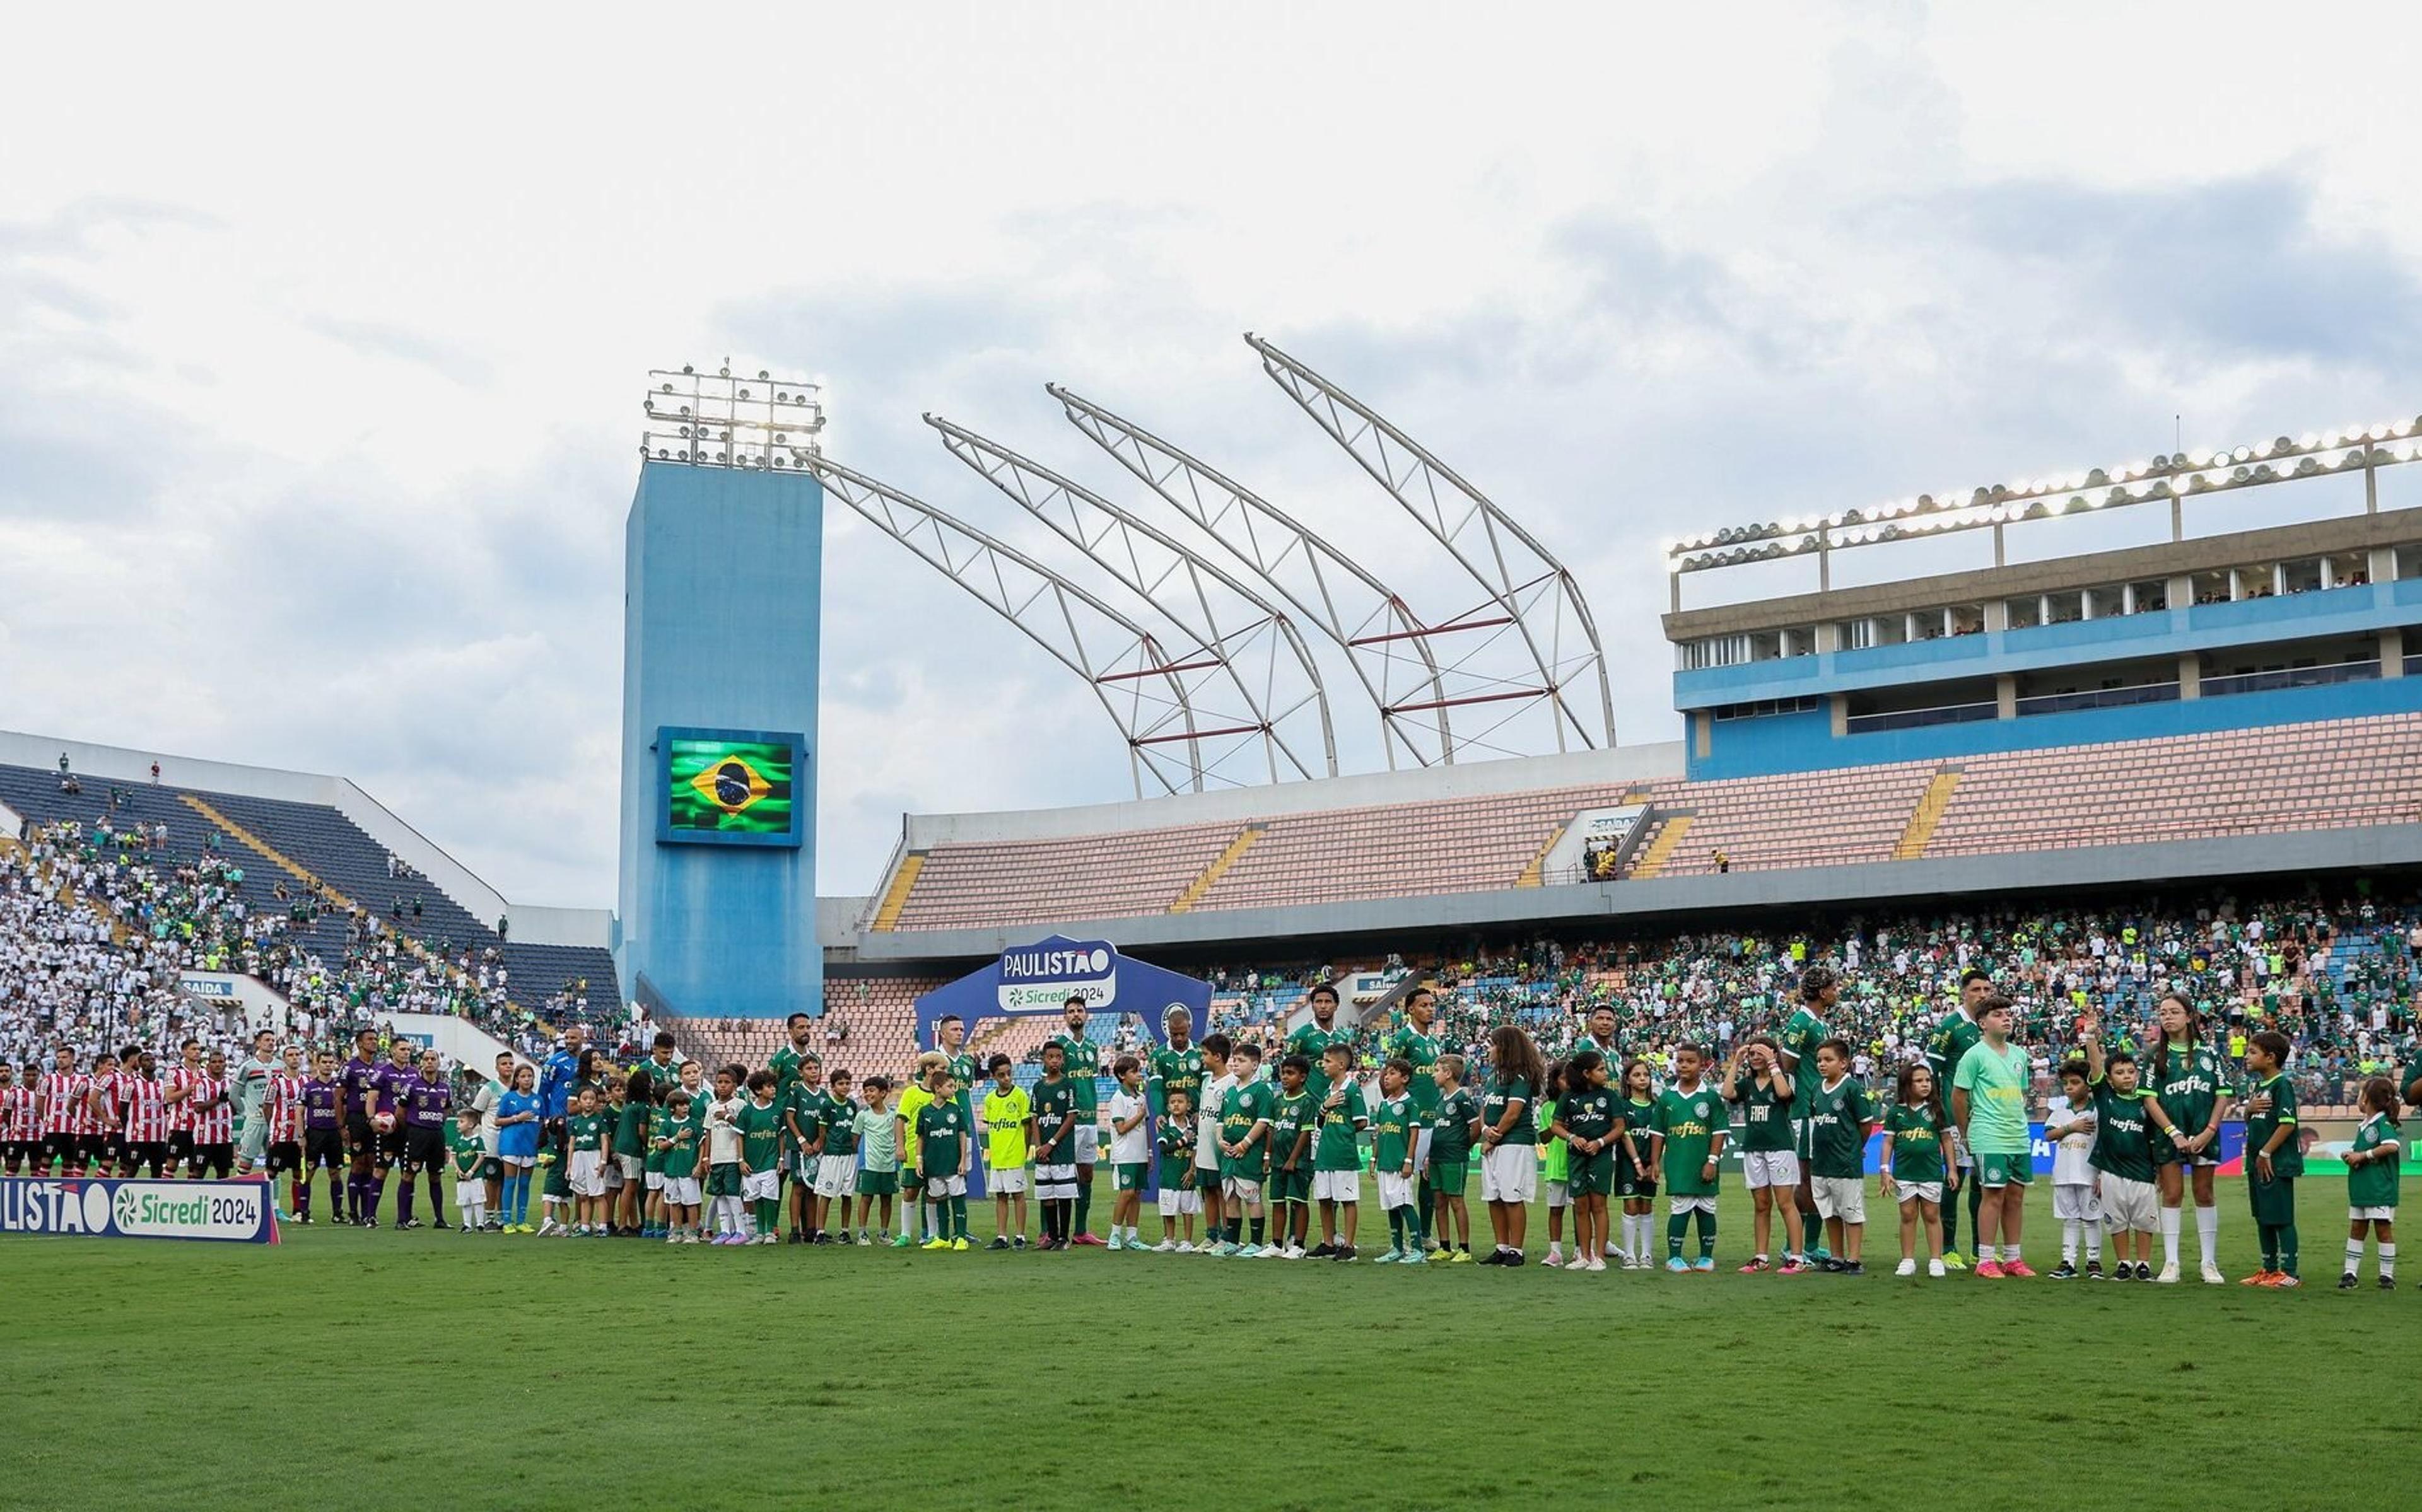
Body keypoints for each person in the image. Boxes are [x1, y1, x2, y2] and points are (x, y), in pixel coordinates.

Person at [2141, 992, 2232, 1284]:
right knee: (2172, 1194)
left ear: (2189, 1016)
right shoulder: (2155, 1055)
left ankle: (2209, 1262)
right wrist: (2174, 1133)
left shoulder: (2209, 1054)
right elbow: (2150, 1100)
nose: (2167, 1018)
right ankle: (2171, 1263)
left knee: (2204, 1193)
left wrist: (2209, 1131)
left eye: (2174, 1012)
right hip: (2170, 1137)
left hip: (2205, 1134)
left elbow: (2222, 1095)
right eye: (2163, 1013)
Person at [1951, 994, 2034, 1279]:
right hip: (1989, 1134)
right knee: (1993, 1196)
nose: (2006, 1018)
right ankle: (1986, 1259)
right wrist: (1965, 1133)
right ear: (1983, 1023)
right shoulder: (1974, 1055)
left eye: (2008, 1013)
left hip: (2018, 1136)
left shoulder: (2020, 1055)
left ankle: (2013, 1258)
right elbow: (1959, 1096)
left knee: (2015, 1197)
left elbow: (2020, 1094)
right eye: (1998, 1014)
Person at [2079, 1027, 2158, 1280]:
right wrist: (2091, 1038)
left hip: (2143, 1172)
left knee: (2145, 1221)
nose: (2127, 1077)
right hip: (2111, 1171)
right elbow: (2095, 1067)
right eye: (2120, 1073)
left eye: (2131, 1072)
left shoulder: (2147, 1102)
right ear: (2110, 1079)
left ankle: (2143, 1264)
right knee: (2117, 1220)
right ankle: (2124, 1263)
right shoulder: (2105, 1097)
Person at [1926, 968, 1992, 1268]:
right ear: (1963, 993)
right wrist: (1938, 1112)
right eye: (1976, 990)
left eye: (1986, 990)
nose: (1982, 995)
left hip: (1987, 1117)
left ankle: (1980, 1249)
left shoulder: (1990, 1027)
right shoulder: (1949, 1027)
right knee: (1955, 1179)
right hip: (1956, 1117)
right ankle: (1948, 1248)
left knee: (1983, 1183)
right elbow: (1931, 1072)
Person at [1723, 1034, 1805, 1274]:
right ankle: (1761, 1256)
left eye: (1761, 1053)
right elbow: (1728, 1093)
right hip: (1754, 1148)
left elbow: (1783, 1094)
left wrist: (1773, 1064)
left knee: (1785, 1203)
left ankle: (1797, 1257)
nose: (1755, 1058)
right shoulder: (1747, 1083)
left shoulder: (1785, 1078)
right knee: (1761, 1204)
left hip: (1780, 1148)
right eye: (1752, 1054)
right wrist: (1736, 1063)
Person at [1775, 967, 1836, 1264]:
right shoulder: (1801, 1022)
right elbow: (1786, 1063)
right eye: (1834, 988)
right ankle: (1794, 1246)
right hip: (1806, 1111)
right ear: (1823, 992)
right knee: (1807, 1179)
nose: (1837, 993)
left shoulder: (1819, 1024)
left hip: (1820, 1109)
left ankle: (1810, 1245)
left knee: (1820, 1179)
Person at [1651, 1043, 1726, 1272]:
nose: (1684, 1065)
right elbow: (1658, 1133)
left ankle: (1706, 1257)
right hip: (1678, 1165)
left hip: (1705, 1165)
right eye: (1680, 1061)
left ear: (1701, 1064)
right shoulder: (1667, 1098)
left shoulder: (1711, 1097)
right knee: (1680, 1207)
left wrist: (1712, 1161)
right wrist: (1655, 1162)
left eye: (1690, 1061)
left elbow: (1719, 1132)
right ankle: (1674, 1257)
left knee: (1707, 1207)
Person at [1381, 987, 1443, 1253]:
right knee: (1402, 1178)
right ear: (1410, 1009)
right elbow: (1389, 1074)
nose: (1430, 1009)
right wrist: (1392, 1109)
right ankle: (1401, 1240)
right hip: (1410, 1119)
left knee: (1428, 1178)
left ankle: (1426, 1235)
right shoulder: (1404, 1038)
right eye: (1424, 1005)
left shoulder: (1435, 1041)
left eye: (1432, 1005)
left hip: (1433, 1118)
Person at [1805, 1038, 1875, 1274]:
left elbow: (1865, 1124)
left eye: (1828, 1060)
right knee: (1830, 1212)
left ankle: (1854, 1260)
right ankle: (1837, 1257)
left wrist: (1855, 1147)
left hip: (1845, 1163)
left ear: (1844, 1063)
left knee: (1851, 1213)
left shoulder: (1852, 1087)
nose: (1822, 1065)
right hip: (1821, 1163)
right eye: (1819, 1060)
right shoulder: (1816, 1088)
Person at [2240, 1030, 2303, 1288]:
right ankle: (2268, 1269)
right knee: (2263, 1216)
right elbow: (2255, 1120)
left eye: (2253, 1052)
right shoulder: (2258, 1086)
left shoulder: (2281, 1085)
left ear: (2271, 1058)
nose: (2246, 1056)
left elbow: (2287, 1123)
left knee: (2281, 1217)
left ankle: (2289, 1273)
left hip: (2275, 1163)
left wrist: (2266, 1152)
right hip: (2257, 1163)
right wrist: (2247, 1110)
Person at [1478, 1025, 1545, 1265]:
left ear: (1505, 1048)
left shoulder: (1520, 1076)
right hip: (1494, 1144)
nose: (1489, 1049)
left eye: (1493, 1044)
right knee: (1494, 1196)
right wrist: (1486, 1130)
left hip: (1515, 1143)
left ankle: (1517, 1250)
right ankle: (1502, 1247)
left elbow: (1513, 1113)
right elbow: (1485, 1108)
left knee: (1511, 1196)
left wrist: (1494, 1137)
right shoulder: (1492, 1077)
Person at [1880, 1063, 1951, 1277]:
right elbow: (1888, 1143)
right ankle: (1908, 1259)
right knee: (1908, 1215)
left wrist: (1953, 1169)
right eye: (1919, 1081)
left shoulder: (1937, 1110)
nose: (1925, 1084)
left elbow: (1947, 1140)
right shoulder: (1896, 1112)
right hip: (1904, 1173)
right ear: (1907, 1085)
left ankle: (1936, 1260)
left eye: (1928, 1080)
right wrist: (1885, 1169)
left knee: (1932, 1214)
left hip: (1931, 1173)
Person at [1046, 995, 1106, 1245]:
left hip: (1089, 1118)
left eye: (1079, 1010)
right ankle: (1048, 1233)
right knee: (1056, 1176)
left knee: (1087, 1174)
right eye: (1070, 1011)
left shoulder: (1092, 1047)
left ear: (1086, 1015)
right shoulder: (1058, 1046)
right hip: (1066, 1121)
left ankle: (1081, 1231)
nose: (1075, 1015)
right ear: (1065, 1017)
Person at [1550, 1050, 1617, 1274]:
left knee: (1599, 1205)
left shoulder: (1609, 1096)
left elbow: (1619, 1127)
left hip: (1601, 1156)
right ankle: (1584, 1255)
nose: (1605, 1073)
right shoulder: (1568, 1097)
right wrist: (1572, 1137)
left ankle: (1599, 1257)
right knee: (1580, 1206)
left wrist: (1600, 1142)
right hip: (1576, 1157)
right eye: (1601, 1069)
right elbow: (1556, 1126)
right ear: (1587, 1073)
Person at [2042, 1061, 2103, 1279]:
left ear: (2088, 1085)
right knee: (2070, 1219)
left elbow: (2103, 1141)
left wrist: (2102, 1174)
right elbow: (2049, 1135)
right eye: (2066, 1083)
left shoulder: (2097, 1110)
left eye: (2075, 1082)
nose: (2069, 1087)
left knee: (2091, 1218)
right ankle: (2068, 1261)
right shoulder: (2061, 1112)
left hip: (2089, 1173)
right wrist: (2071, 1127)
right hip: (2064, 1174)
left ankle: (2094, 1261)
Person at [2340, 1076, 2401, 1290]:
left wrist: (2362, 1155)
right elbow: (2364, 1155)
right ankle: (2349, 1273)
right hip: (2362, 1188)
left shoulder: (2381, 1123)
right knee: (2357, 1228)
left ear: (2367, 1099)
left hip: (2379, 1189)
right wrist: (2352, 1157)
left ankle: (2387, 1276)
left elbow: (2392, 1146)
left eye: (2360, 1094)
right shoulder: (2365, 1125)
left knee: (2383, 1229)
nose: (2358, 1098)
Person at [1310, 1042, 1366, 1262]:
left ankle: (1349, 1246)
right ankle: (1328, 1242)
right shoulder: (1328, 1090)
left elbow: (1361, 1122)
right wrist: (1325, 1106)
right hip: (1325, 1153)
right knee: (1325, 1199)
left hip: (1343, 1154)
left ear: (1341, 1065)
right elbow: (1321, 1121)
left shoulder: (1352, 1089)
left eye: (1327, 1061)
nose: (1323, 1065)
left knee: (1347, 1200)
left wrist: (1343, 1133)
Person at [1366, 1059, 1422, 1265]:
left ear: (1405, 1078)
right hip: (1385, 1163)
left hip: (1401, 1165)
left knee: (1405, 1204)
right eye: (1385, 1074)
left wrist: (1408, 1160)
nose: (1386, 1078)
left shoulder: (1410, 1103)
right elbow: (1379, 1133)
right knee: (1391, 1206)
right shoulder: (1384, 1104)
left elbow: (1414, 1133)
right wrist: (1374, 1157)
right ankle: (1397, 1247)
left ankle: (1418, 1250)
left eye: (1391, 1074)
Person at [1429, 1053, 1479, 1263]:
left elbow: (1475, 1127)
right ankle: (1445, 1246)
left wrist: (1462, 1147)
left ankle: (1464, 1248)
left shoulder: (1462, 1098)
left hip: (1453, 1158)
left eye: (1437, 1070)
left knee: (1456, 1201)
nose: (1434, 1075)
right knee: (1439, 1202)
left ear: (1448, 1074)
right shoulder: (1441, 1099)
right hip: (1437, 1158)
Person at [914, 1064, 970, 1252]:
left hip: (953, 1164)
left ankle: (961, 1237)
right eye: (951, 1086)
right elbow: (920, 1137)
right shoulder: (925, 1112)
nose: (954, 1090)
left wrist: (963, 1160)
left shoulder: (955, 1110)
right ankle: (944, 1237)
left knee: (958, 1198)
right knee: (939, 1199)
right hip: (933, 1164)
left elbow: (962, 1135)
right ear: (938, 1088)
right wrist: (919, 1159)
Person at [983, 1053, 1033, 1250]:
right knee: (1001, 1196)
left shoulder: (1020, 1095)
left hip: (1014, 1154)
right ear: (994, 1076)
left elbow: (1027, 1126)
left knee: (1018, 1195)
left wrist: (1025, 1149)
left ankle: (1020, 1235)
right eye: (1001, 1075)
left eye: (1009, 1074)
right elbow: (990, 1128)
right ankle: (1002, 1236)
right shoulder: (989, 1100)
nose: (1006, 1078)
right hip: (998, 1157)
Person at [1614, 1058, 1659, 1270]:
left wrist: (1654, 1164)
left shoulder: (1657, 1106)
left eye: (1646, 1075)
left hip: (1651, 1165)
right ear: (1628, 1080)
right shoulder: (1623, 1105)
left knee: (1646, 1205)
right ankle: (1630, 1254)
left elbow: (1661, 1138)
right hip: (1628, 1164)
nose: (1643, 1079)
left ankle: (1647, 1255)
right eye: (1637, 1075)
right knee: (1631, 1206)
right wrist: (1637, 1163)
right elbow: (1625, 1136)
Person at [733, 1069, 785, 1245]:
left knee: (769, 1197)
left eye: (774, 1086)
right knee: (757, 1198)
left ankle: (770, 1231)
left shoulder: (778, 1111)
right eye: (769, 1087)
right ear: (758, 1090)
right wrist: (741, 1160)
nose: (773, 1090)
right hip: (751, 1163)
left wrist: (781, 1159)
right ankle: (760, 1232)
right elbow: (740, 1135)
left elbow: (780, 1136)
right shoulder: (747, 1112)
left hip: (770, 1162)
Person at [701, 1065, 750, 1245]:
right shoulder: (711, 1107)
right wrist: (706, 1157)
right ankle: (725, 1231)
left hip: (732, 1156)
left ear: (735, 1086)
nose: (723, 1086)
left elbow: (744, 1128)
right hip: (716, 1157)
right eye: (720, 1082)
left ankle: (741, 1230)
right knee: (719, 1194)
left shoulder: (740, 1105)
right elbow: (708, 1134)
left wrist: (728, 1117)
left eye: (727, 1083)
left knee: (732, 1194)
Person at [1105, 1055, 1150, 1252]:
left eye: (1139, 1070)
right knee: (1127, 1192)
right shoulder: (1118, 1098)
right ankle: (1114, 1235)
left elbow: (1146, 1126)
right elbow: (1121, 1128)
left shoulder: (1141, 1097)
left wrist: (1149, 1152)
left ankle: (1132, 1236)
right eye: (1134, 1071)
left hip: (1139, 1153)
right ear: (1122, 1075)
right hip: (1124, 1154)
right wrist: (1139, 1115)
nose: (1139, 1075)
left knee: (1137, 1194)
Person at [1195, 1033, 1235, 1253]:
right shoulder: (1206, 1080)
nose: (1203, 1058)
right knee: (1208, 1190)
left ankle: (1227, 1236)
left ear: (1218, 1057)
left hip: (1220, 1145)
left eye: (1205, 1054)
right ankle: (1211, 1234)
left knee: (1222, 1191)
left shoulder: (1231, 1082)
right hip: (1204, 1144)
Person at [810, 1067, 858, 1246]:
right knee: (827, 1194)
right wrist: (821, 1144)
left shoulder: (852, 1105)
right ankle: (820, 1232)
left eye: (847, 1083)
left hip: (849, 1155)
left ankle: (844, 1232)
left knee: (848, 1194)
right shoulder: (827, 1105)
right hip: (832, 1155)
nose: (845, 1087)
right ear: (833, 1086)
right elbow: (822, 1130)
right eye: (841, 1084)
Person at [300, 1050, 344, 1224]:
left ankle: (337, 1213)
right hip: (315, 1134)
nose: (327, 1065)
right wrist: (301, 1135)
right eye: (324, 1062)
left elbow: (345, 1110)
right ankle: (304, 1212)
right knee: (308, 1172)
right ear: (317, 1065)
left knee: (335, 1173)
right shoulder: (309, 1088)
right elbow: (299, 1111)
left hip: (334, 1134)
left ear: (334, 1065)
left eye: (330, 1062)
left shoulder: (339, 1088)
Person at [494, 1064, 541, 1233]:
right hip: (511, 1145)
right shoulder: (509, 1097)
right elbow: (497, 1121)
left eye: (530, 1076)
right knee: (510, 1182)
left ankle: (521, 1221)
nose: (527, 1079)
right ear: (517, 1079)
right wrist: (517, 1118)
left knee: (525, 1184)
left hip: (530, 1146)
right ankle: (507, 1221)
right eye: (523, 1076)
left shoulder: (538, 1099)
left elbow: (541, 1121)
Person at [853, 1076, 898, 1245]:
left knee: (887, 1198)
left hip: (889, 1164)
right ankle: (862, 1234)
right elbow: (855, 1138)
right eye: (865, 1091)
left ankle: (884, 1233)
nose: (867, 1094)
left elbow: (897, 1136)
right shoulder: (863, 1116)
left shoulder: (893, 1115)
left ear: (883, 1093)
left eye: (871, 1090)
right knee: (867, 1198)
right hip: (869, 1164)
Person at [1154, 1088, 1200, 1252]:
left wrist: (1192, 1170)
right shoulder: (1165, 1126)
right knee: (1169, 1211)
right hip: (1169, 1176)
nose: (1176, 1105)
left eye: (1180, 1102)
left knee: (1188, 1210)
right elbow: (1164, 1149)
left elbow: (1196, 1149)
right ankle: (1169, 1240)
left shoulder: (1193, 1127)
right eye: (1173, 1102)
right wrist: (1183, 1140)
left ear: (1188, 1105)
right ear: (1168, 1107)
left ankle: (1187, 1241)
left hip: (1186, 1176)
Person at [657, 1088, 702, 1243]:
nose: (685, 1108)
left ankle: (693, 1232)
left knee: (691, 1203)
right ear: (672, 1108)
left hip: (688, 1170)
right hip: (671, 1170)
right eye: (681, 1105)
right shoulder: (667, 1125)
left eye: (687, 1105)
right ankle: (676, 1231)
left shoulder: (694, 1124)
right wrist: (677, 1138)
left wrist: (699, 1164)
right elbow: (661, 1146)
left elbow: (702, 1145)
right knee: (674, 1202)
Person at [1537, 1060, 1571, 1268]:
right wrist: (1557, 1126)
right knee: (1556, 1210)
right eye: (1563, 1078)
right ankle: (1555, 1252)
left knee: (1581, 1211)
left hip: (1577, 1165)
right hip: (1556, 1165)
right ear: (1555, 1081)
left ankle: (1582, 1251)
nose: (1567, 1082)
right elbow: (1544, 1138)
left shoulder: (1579, 1102)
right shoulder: (1547, 1108)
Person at [614, 1068, 653, 1236]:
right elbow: (642, 1131)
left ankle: (633, 1222)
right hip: (632, 1149)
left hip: (621, 1146)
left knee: (629, 1186)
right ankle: (623, 1224)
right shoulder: (643, 1107)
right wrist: (648, 1145)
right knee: (630, 1186)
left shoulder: (628, 1105)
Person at [448, 1107, 488, 1234]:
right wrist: (458, 1170)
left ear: (470, 1125)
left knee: (478, 1200)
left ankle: (481, 1223)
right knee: (465, 1201)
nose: (458, 1124)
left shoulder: (478, 1140)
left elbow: (481, 1157)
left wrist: (471, 1171)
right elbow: (453, 1157)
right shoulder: (458, 1141)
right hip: (462, 1178)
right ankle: (467, 1224)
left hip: (476, 1177)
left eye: (461, 1121)